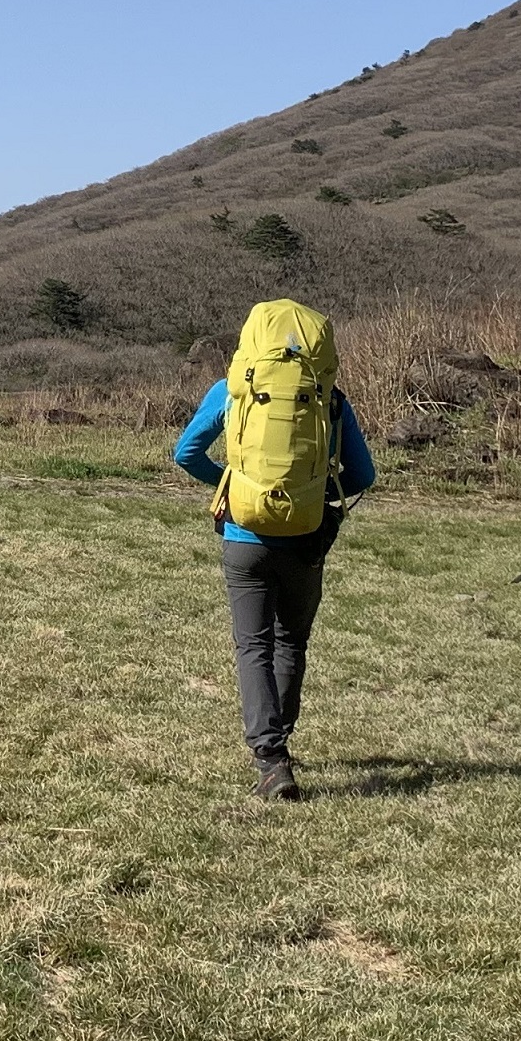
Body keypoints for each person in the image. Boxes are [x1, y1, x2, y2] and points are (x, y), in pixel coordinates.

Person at [172, 299, 375, 801]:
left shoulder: (233, 390)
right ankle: (279, 741)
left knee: (253, 646)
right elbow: (364, 475)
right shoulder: (328, 400)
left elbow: (186, 453)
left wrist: (231, 487)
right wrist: (318, 506)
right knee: (291, 642)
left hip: (244, 539)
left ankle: (271, 760)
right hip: (306, 537)